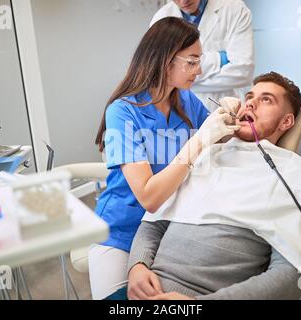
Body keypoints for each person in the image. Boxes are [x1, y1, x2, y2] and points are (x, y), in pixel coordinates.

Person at [116, 72, 301, 300]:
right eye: (250, 96)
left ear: (287, 121)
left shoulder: (291, 173)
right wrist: (138, 266)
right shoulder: (206, 156)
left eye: (266, 99)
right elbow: (154, 224)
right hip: (144, 289)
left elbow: (289, 276)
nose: (250, 102)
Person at [90, 17, 240, 300]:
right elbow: (149, 197)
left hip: (169, 228)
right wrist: (199, 141)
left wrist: (231, 115)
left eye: (200, 60)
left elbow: (218, 136)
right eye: (192, 61)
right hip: (123, 231)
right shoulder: (123, 112)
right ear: (165, 60)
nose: (199, 70)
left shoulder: (185, 100)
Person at [151, 0, 255, 111]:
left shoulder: (234, 9)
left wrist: (181, 79)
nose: (183, 1)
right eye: (191, 62)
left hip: (222, 108)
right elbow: (159, 72)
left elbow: (244, 71)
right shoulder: (161, 17)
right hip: (177, 110)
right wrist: (220, 59)